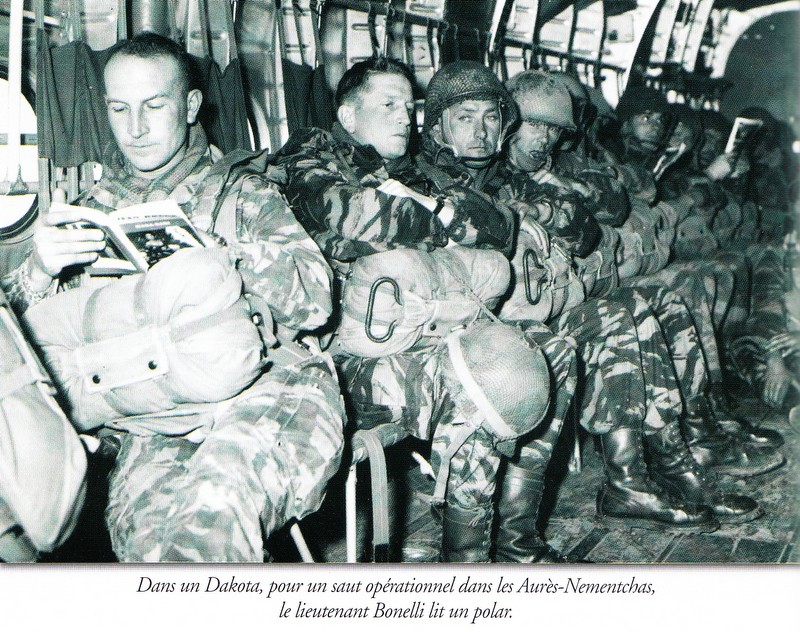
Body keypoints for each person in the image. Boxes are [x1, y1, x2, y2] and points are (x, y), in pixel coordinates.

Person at [0, 32, 345, 562]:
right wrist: (40, 269)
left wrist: (224, 256)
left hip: (268, 390)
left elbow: (318, 302)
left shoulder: (244, 194)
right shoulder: (91, 212)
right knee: (153, 550)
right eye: (119, 109)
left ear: (189, 106)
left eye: (153, 105)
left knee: (215, 514)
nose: (134, 129)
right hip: (151, 416)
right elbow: (23, 354)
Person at [419, 61, 733, 549]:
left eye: (489, 118)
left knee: (623, 311)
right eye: (465, 118)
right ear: (437, 124)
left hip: (525, 311)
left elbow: (586, 226)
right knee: (558, 344)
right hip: (463, 331)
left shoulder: (506, 177)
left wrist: (538, 208)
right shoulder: (424, 180)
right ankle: (509, 538)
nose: (482, 133)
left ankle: (637, 475)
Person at [274, 56, 551, 562]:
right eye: (388, 105)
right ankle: (464, 571)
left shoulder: (413, 170)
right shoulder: (311, 156)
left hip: (426, 330)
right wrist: (442, 224)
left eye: (409, 105)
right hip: (345, 359)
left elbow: (497, 226)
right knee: (482, 382)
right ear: (349, 115)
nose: (405, 117)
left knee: (544, 355)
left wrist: (433, 212)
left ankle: (515, 542)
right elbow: (354, 213)